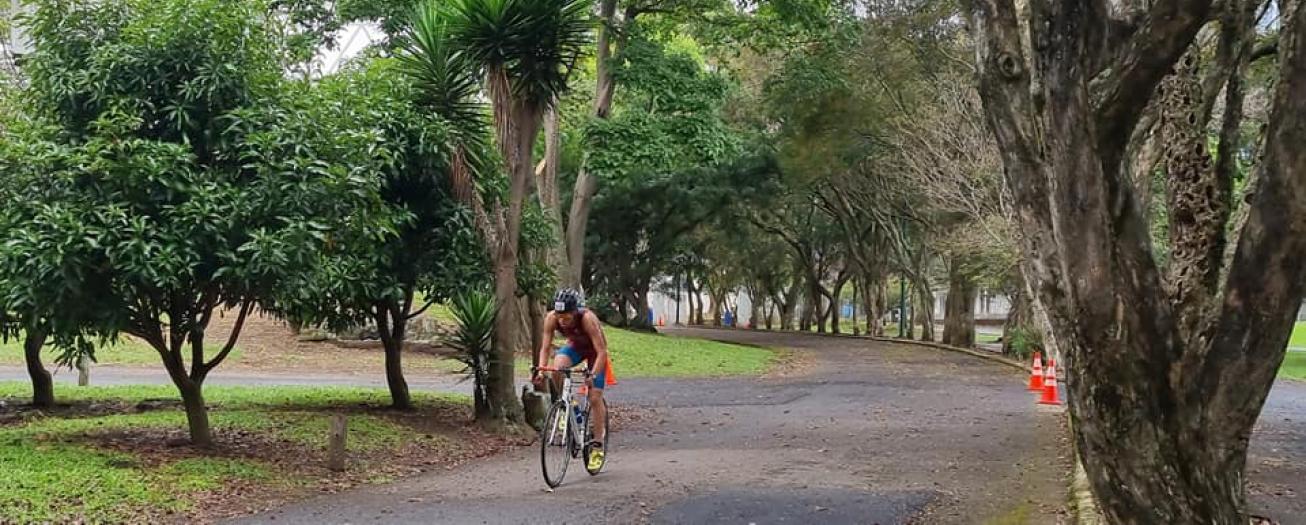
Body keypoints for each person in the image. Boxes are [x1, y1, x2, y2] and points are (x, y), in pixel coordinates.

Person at [533, 288, 613, 472]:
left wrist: (592, 375)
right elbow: (545, 348)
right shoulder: (551, 318)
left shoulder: (587, 319)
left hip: (595, 353)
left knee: (594, 397)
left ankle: (598, 445)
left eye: (567, 317)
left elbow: (602, 352)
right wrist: (540, 369)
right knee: (557, 367)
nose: (562, 321)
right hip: (575, 348)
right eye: (560, 316)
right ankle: (570, 406)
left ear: (575, 312)